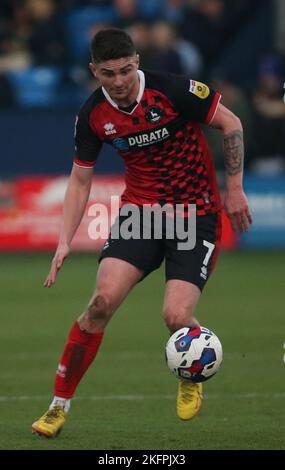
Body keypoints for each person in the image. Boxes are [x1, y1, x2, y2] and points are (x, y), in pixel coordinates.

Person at [32, 28, 252, 438]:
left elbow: (231, 123)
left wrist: (234, 189)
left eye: (126, 70)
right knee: (99, 303)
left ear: (136, 61)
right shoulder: (93, 114)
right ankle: (58, 406)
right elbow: (80, 181)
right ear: (94, 71)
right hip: (141, 214)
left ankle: (191, 374)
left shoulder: (173, 90)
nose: (119, 81)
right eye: (109, 74)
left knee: (176, 316)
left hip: (194, 213)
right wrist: (64, 240)